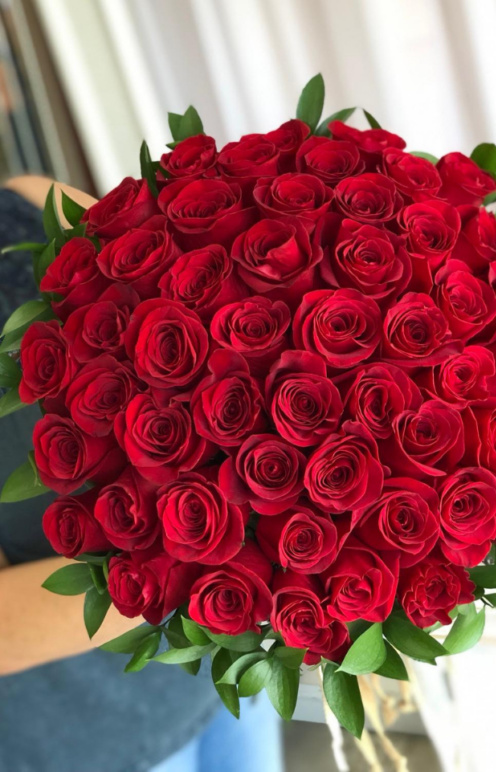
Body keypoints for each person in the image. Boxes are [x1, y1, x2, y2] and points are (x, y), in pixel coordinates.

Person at [0, 176, 284, 772]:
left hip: (212, 662)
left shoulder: (30, 204)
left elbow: (210, 298)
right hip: (83, 728)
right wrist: (227, 556)